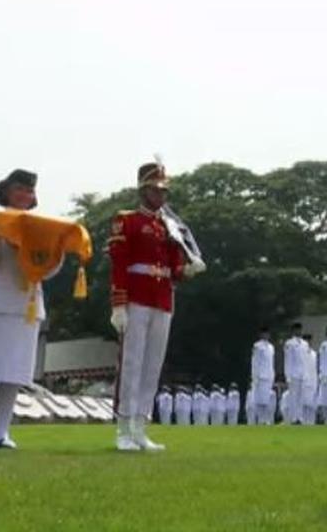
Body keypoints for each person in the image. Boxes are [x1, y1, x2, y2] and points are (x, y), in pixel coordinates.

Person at [0, 169, 66, 450]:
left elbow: (47, 270)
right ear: (7, 192)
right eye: (19, 189)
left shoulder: (40, 227)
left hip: (27, 305)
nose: (25, 194)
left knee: (13, 373)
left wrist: (54, 251)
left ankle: (2, 432)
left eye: (29, 191)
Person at [109, 161, 203, 452]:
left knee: (152, 365)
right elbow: (119, 265)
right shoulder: (127, 221)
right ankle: (123, 428)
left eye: (164, 190)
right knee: (132, 362)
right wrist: (118, 305)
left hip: (163, 297)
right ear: (144, 190)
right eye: (156, 190)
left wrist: (187, 270)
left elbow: (173, 264)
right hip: (136, 295)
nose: (162, 195)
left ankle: (140, 426)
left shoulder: (168, 226)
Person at [282, 323, 308, 425]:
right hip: (293, 373)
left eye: (300, 330)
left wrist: (306, 374)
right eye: (297, 330)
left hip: (302, 373)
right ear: (293, 331)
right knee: (293, 397)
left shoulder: (304, 344)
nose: (299, 332)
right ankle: (293, 418)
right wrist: (287, 375)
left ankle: (300, 417)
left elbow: (305, 360)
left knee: (301, 397)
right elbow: (288, 360)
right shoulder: (289, 343)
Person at [251, 326, 276, 425]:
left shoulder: (271, 347)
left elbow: (271, 362)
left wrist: (272, 374)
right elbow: (255, 362)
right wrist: (255, 376)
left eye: (267, 333)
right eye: (264, 333)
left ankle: (266, 418)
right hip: (260, 375)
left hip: (268, 375)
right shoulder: (257, 346)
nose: (266, 335)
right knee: (260, 399)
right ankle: (261, 419)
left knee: (267, 399)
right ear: (261, 334)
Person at [302, 333, 319, 425]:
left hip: (312, 381)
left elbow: (314, 369)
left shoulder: (314, 354)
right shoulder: (301, 353)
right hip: (304, 381)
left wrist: (316, 381)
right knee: (304, 404)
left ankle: (311, 422)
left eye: (310, 341)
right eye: (307, 341)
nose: (309, 342)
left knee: (312, 404)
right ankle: (304, 422)